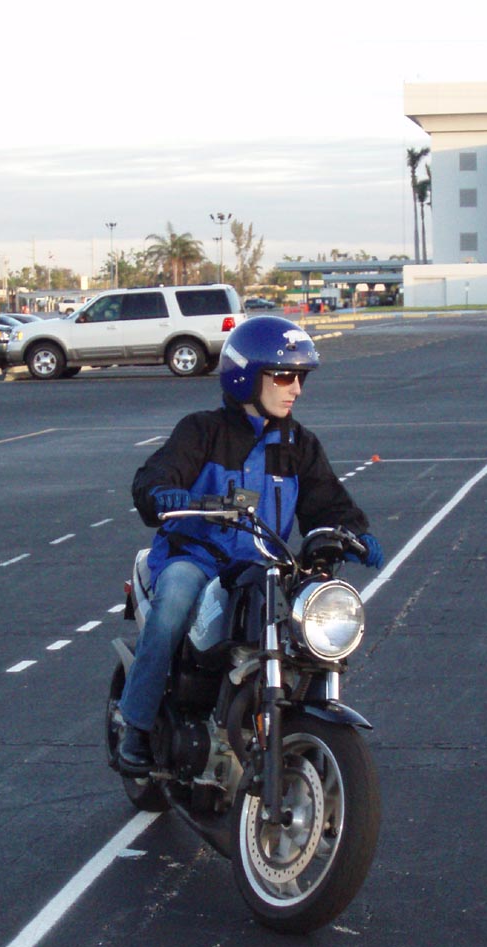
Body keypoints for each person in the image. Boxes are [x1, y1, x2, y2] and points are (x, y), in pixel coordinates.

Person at [116, 315, 384, 777]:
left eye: (299, 377)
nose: (295, 388)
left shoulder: (298, 444)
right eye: (283, 376)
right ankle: (136, 727)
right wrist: (164, 493)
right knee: (172, 605)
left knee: (311, 625)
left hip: (263, 564)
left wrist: (351, 531)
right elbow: (158, 474)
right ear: (246, 376)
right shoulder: (202, 431)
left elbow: (326, 500)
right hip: (197, 558)